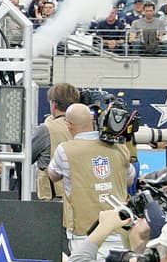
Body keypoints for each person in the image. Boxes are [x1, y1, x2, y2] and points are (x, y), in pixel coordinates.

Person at [46, 103, 132, 252]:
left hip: (84, 232)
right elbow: (129, 179)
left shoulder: (65, 150)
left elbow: (53, 175)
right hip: (118, 229)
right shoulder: (119, 147)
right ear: (92, 120)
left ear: (69, 126)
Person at [31, 82, 79, 202]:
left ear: (53, 104)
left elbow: (26, 158)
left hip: (54, 199)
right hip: (82, 196)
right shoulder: (87, 127)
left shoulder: (45, 130)